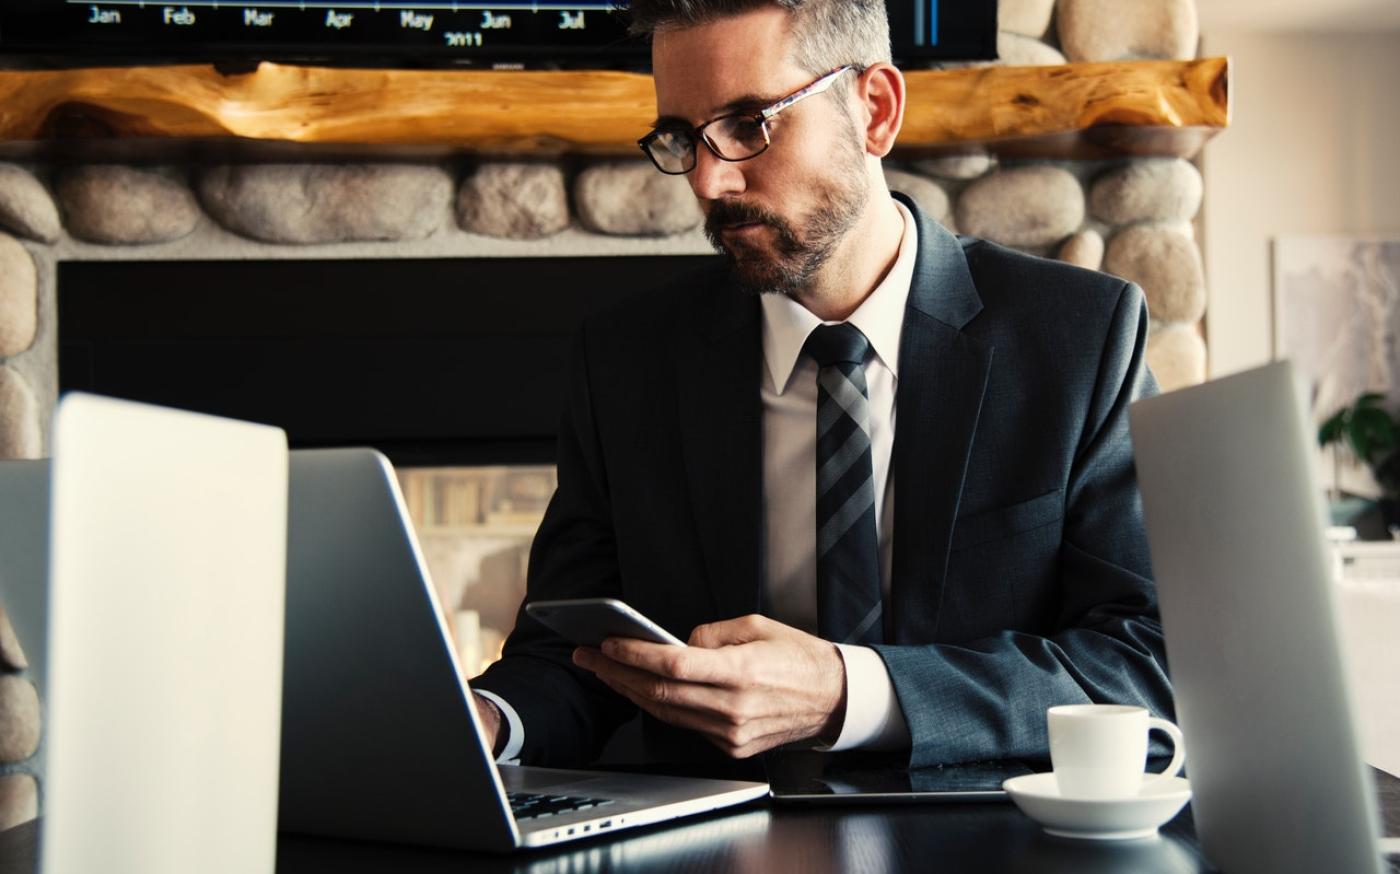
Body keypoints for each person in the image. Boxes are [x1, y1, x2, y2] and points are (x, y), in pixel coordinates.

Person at [469, 0, 1172, 770]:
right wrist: (489, 721)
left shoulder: (1078, 338)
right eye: (681, 138)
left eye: (750, 124)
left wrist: (850, 693)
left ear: (875, 110)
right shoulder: (626, 361)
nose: (708, 179)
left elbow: (1142, 663)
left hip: (987, 840)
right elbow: (574, 661)